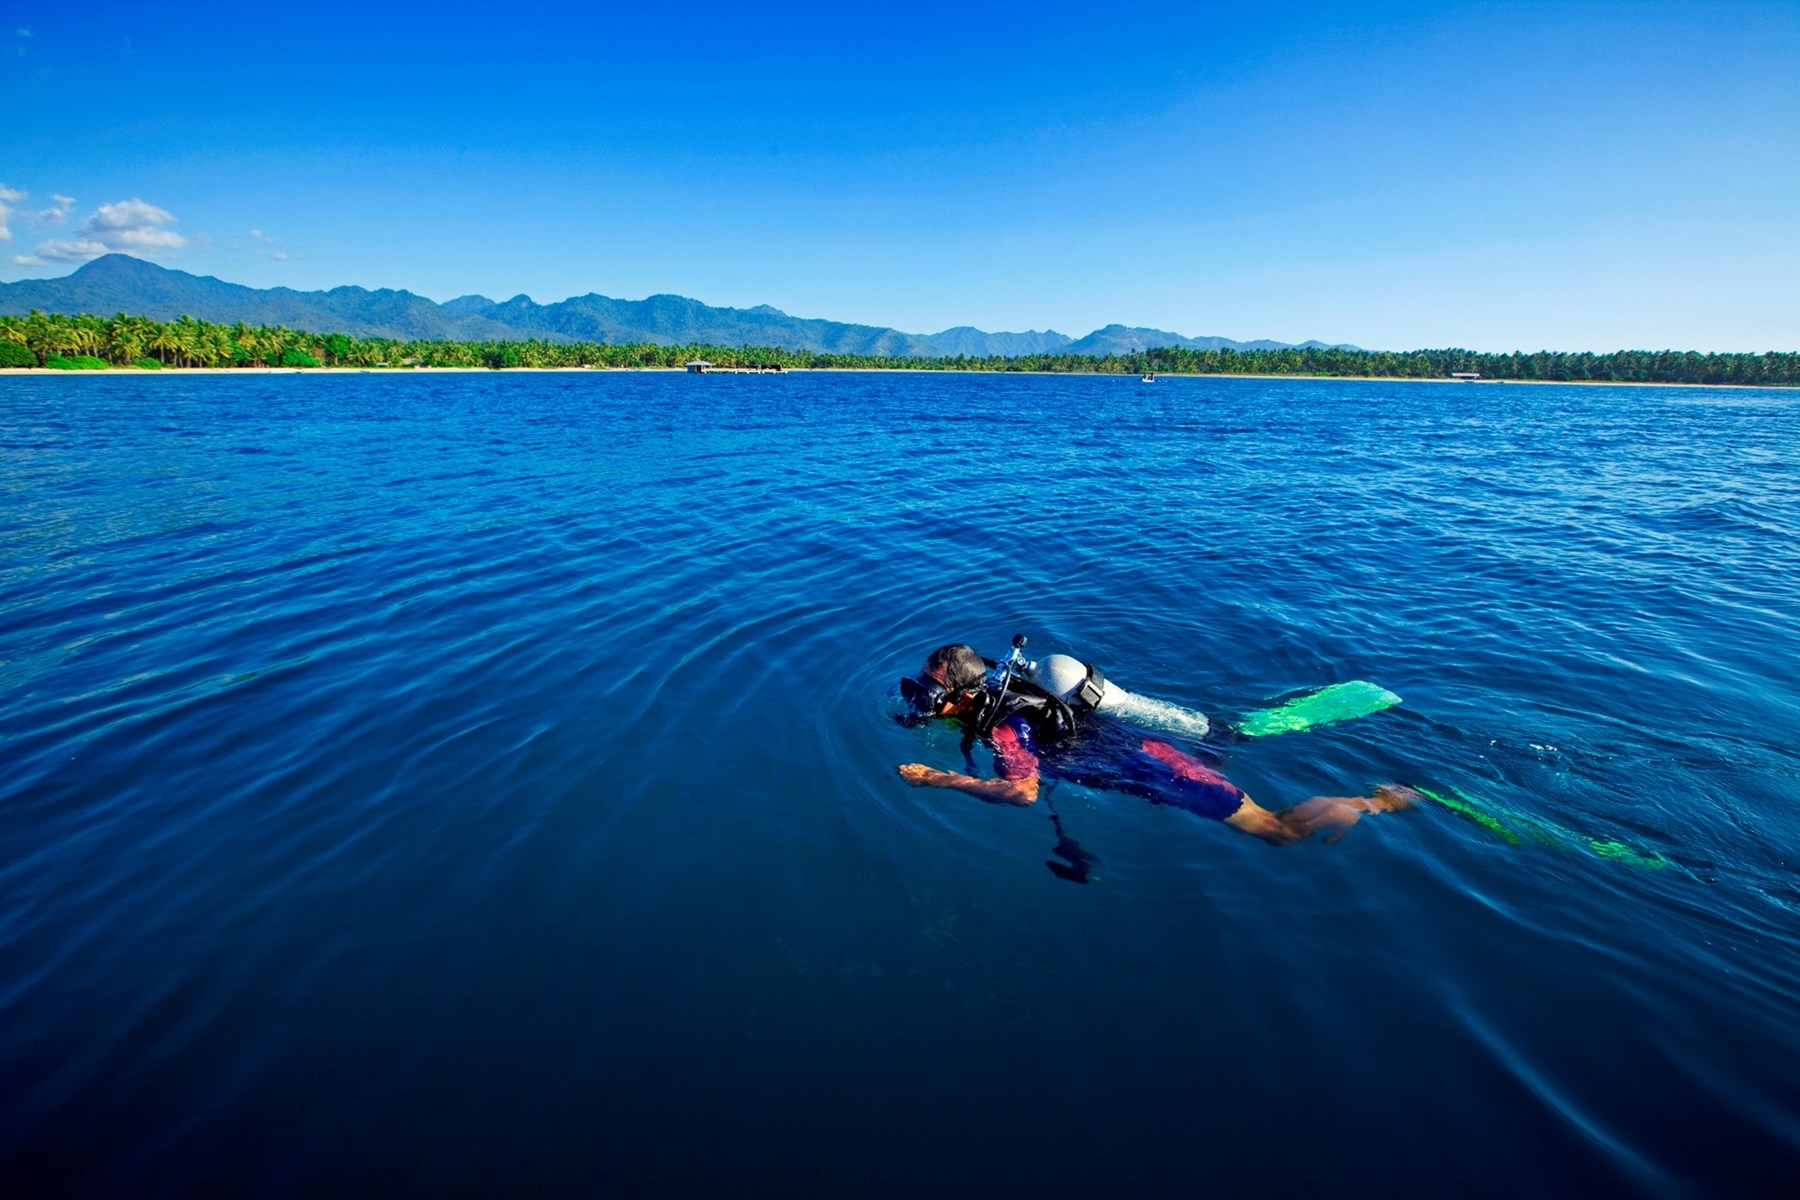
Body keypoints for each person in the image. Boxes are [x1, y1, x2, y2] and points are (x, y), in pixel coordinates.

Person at [896, 642, 1417, 846]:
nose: (920, 699)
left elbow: (1022, 793)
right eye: (916, 686)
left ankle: (1373, 802)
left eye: (929, 691)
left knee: (1276, 830)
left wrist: (936, 778)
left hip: (1151, 764)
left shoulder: (1007, 725)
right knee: (1268, 820)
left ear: (964, 693)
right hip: (1133, 751)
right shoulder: (999, 696)